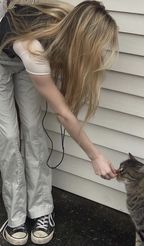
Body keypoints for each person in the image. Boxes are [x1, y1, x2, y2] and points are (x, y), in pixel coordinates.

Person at [0, 0, 118, 245]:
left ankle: (41, 210)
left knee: (33, 130)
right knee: (9, 137)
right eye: (98, 46)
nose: (100, 53)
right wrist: (95, 156)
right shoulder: (34, 49)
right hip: (5, 61)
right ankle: (16, 215)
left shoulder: (64, 20)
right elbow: (63, 113)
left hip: (24, 63)